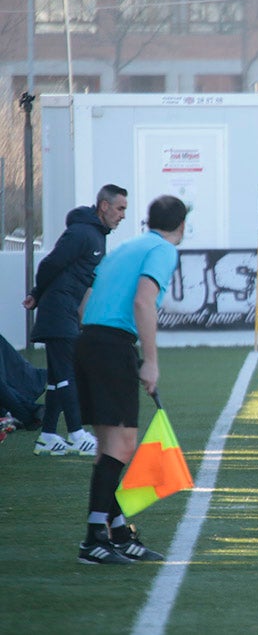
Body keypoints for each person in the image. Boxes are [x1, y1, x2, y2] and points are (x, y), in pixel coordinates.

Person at [75, 195, 187, 564]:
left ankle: (117, 533)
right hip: (110, 344)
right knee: (122, 445)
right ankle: (94, 539)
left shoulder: (126, 247)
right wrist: (150, 362)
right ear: (181, 225)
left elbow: (84, 303)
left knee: (109, 446)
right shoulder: (162, 250)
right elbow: (144, 301)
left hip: (90, 339)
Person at [24, 184, 128, 457]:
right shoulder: (82, 233)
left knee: (59, 377)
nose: (123, 215)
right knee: (69, 374)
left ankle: (47, 436)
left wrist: (86, 321)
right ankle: (77, 434)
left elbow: (87, 284)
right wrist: (37, 293)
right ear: (104, 206)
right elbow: (49, 264)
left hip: (66, 312)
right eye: (120, 208)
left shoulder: (98, 236)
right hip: (57, 311)